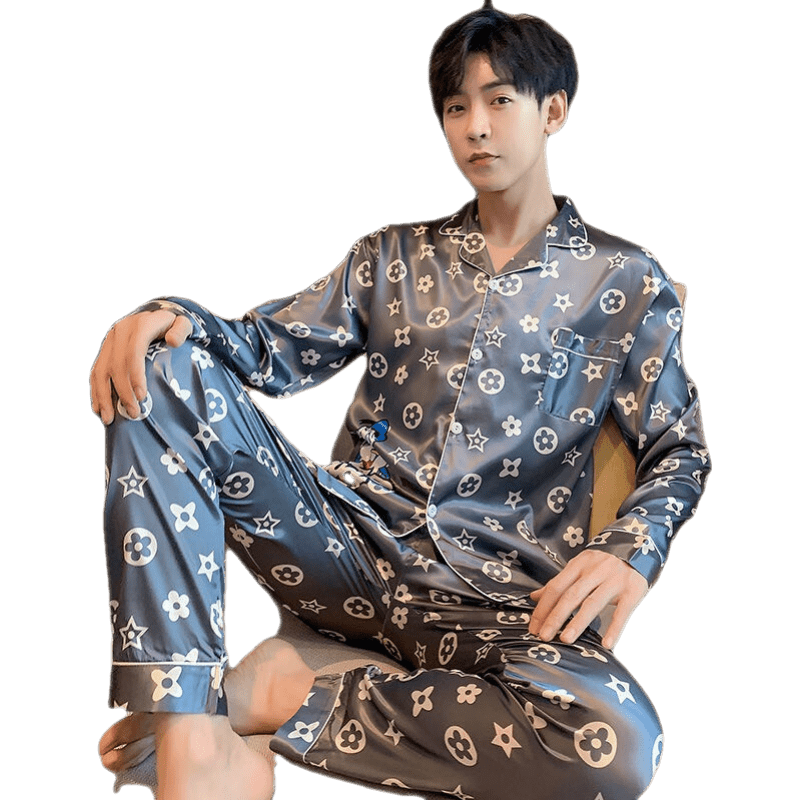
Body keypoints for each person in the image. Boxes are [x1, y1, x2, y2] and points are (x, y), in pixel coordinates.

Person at [91, 3, 710, 799]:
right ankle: (190, 731)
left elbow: (679, 449)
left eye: (500, 101)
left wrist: (631, 550)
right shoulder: (390, 255)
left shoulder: (625, 280)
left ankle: (290, 693)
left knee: (616, 745)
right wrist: (168, 316)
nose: (475, 128)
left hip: (496, 601)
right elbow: (266, 349)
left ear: (554, 111)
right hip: (341, 552)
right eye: (456, 108)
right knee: (163, 367)